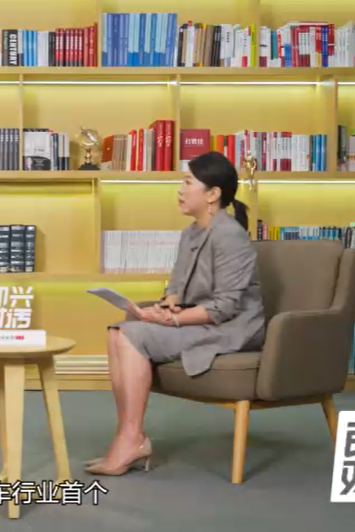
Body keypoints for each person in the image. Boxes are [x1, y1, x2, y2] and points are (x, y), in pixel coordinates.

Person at [86, 150, 266, 476]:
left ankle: (131, 439)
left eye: (187, 182)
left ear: (212, 194)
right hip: (199, 317)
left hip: (232, 327)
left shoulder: (230, 235)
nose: (180, 190)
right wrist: (167, 304)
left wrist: (171, 319)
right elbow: (177, 284)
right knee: (117, 331)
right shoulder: (191, 232)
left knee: (129, 335)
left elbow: (225, 307)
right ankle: (129, 435)